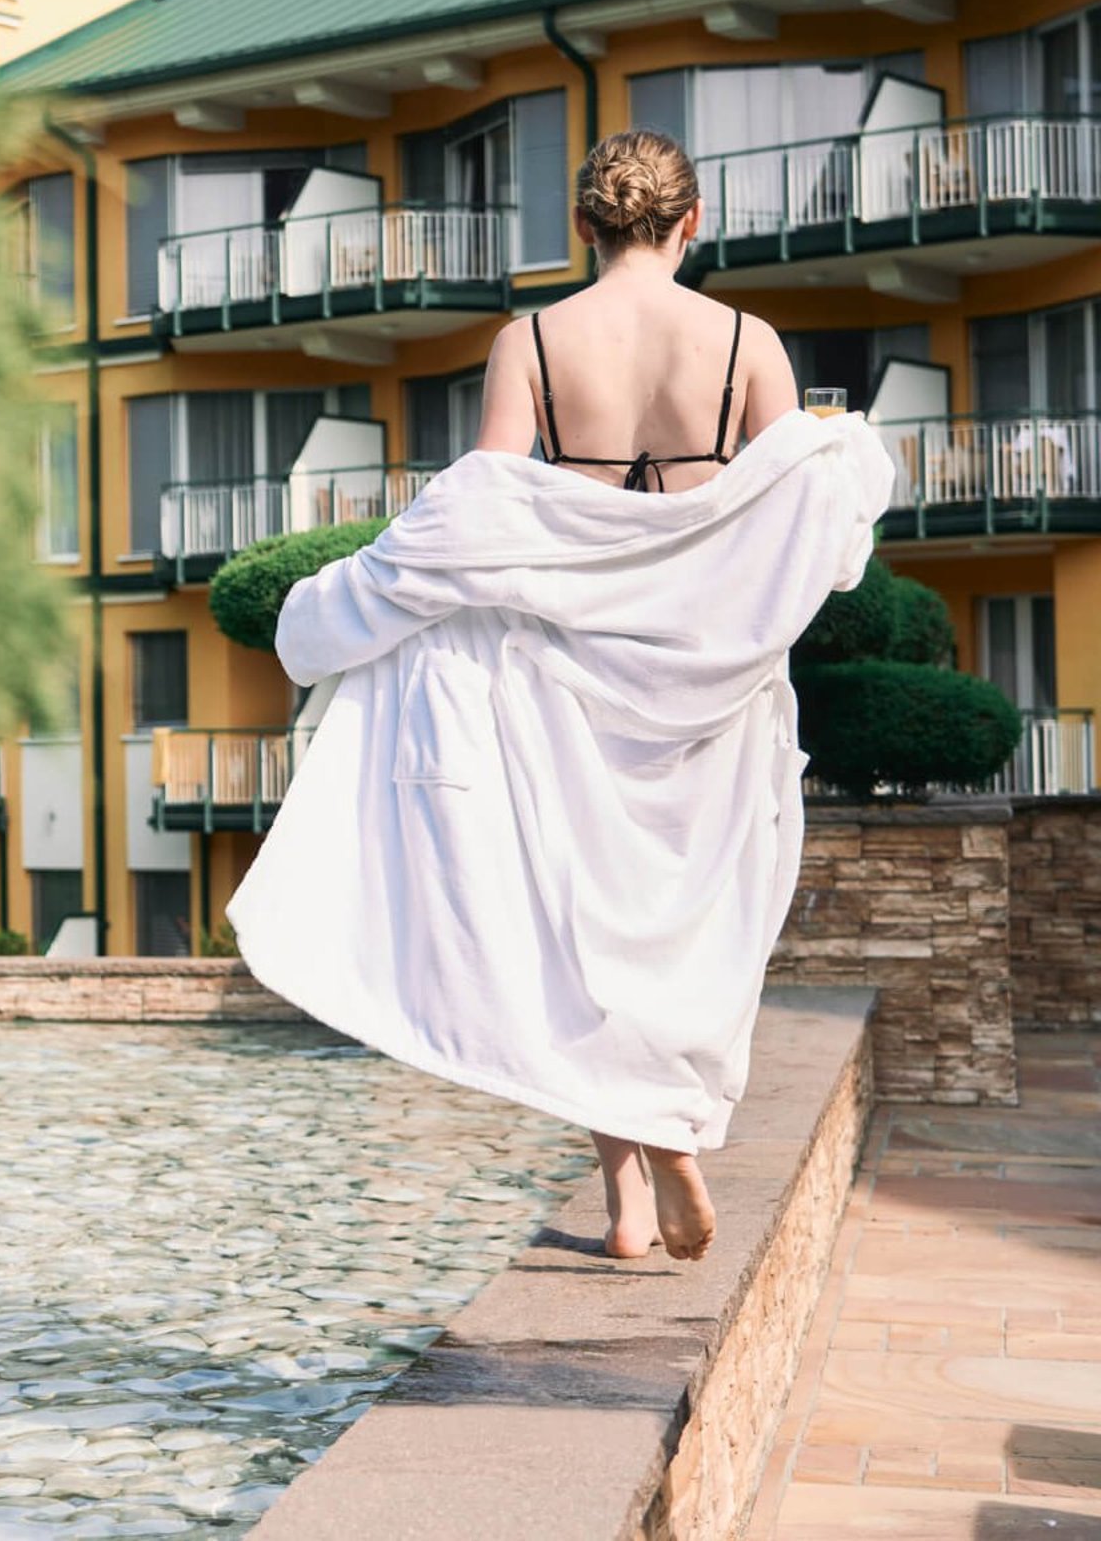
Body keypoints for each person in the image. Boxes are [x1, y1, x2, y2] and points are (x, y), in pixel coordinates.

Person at [225, 130, 896, 1265]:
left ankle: (628, 1198)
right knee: (689, 920)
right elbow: (806, 527)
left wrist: (344, 606)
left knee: (576, 925)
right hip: (711, 684)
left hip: (569, 674)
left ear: (583, 226)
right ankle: (671, 1119)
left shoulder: (531, 340)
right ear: (692, 223)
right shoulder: (748, 343)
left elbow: (486, 514)